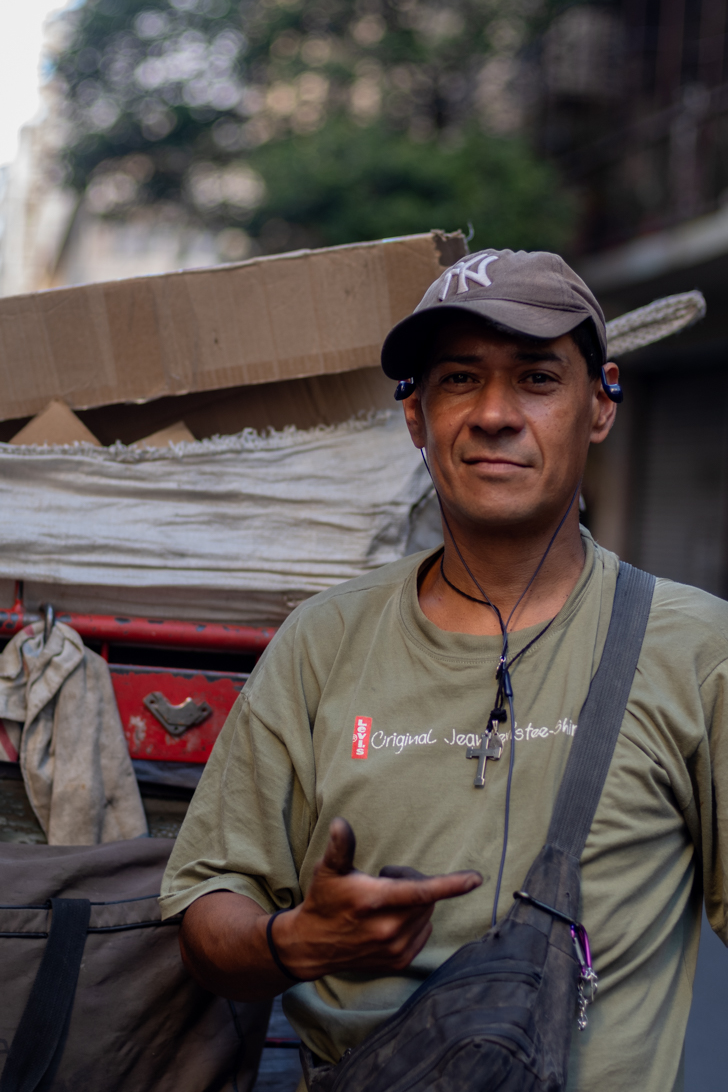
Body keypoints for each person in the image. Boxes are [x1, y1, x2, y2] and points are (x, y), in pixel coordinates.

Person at [161, 248, 728, 1092]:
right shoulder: (322, 640)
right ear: (416, 416)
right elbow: (208, 908)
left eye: (537, 378)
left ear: (601, 402)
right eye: (460, 379)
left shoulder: (697, 648)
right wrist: (297, 942)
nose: (495, 413)